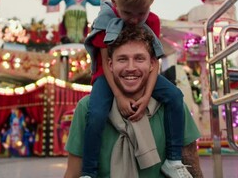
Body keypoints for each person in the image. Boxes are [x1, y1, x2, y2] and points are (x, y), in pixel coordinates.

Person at [82, 0, 188, 178]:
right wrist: (120, 97)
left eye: (141, 13)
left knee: (176, 96)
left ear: (151, 4)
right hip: (108, 75)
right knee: (95, 114)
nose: (134, 19)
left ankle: (173, 159)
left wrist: (147, 95)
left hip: (144, 75)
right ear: (114, 1)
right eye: (127, 13)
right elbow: (105, 60)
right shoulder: (105, 21)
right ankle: (89, 172)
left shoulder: (153, 21)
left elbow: (154, 60)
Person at [65, 25, 203, 178]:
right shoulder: (87, 108)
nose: (131, 68)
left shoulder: (173, 107)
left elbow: (192, 167)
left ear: (151, 64)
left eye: (139, 58)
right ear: (110, 65)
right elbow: (72, 173)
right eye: (122, 59)